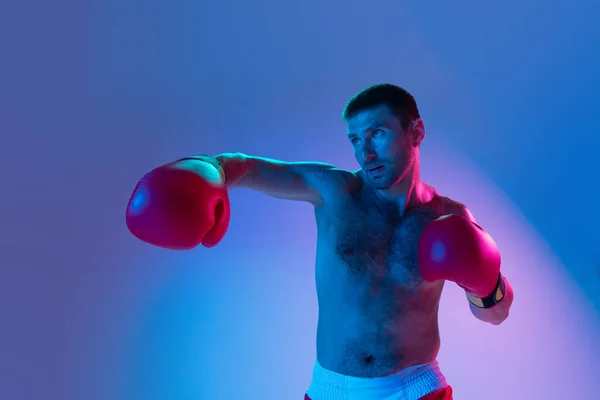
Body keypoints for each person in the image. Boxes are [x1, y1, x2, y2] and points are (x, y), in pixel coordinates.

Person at [126, 83, 514, 400]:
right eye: (355, 140)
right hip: (334, 389)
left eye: (377, 133)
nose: (366, 152)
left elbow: (495, 313)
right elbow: (241, 166)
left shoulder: (451, 217)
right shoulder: (335, 191)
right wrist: (207, 170)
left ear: (416, 132)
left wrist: (484, 279)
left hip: (414, 390)